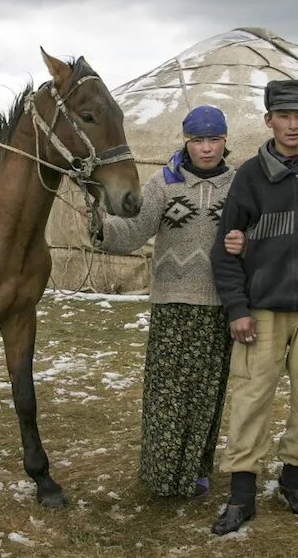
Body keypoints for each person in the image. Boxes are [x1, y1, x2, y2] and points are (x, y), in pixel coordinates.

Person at [209, 79, 298, 534]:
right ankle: (242, 495)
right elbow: (224, 251)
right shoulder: (249, 176)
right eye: (283, 116)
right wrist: (237, 309)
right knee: (251, 396)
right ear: (268, 120)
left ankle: (293, 481)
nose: (292, 125)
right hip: (262, 308)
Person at [93, 105, 234, 499]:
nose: (206, 149)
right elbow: (133, 231)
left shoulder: (240, 185)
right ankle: (162, 475)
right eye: (197, 140)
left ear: (225, 141)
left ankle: (197, 471)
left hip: (218, 307)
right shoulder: (164, 183)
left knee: (207, 395)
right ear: (186, 142)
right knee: (167, 395)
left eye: (214, 140)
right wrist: (100, 227)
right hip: (172, 305)